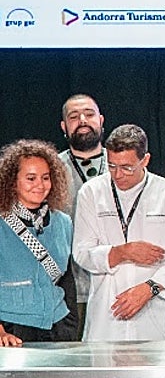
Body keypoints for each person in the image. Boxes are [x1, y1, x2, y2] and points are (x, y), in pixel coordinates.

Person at [72, 124, 165, 341]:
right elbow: (81, 252)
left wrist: (149, 289)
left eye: (127, 167)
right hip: (106, 315)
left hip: (155, 315)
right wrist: (122, 252)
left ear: (145, 160)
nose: (118, 175)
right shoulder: (91, 192)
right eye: (112, 166)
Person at [0, 140, 79, 346]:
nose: (40, 185)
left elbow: (67, 281)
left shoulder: (63, 222)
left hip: (58, 326)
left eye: (45, 177)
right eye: (31, 178)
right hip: (12, 330)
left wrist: (71, 324)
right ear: (12, 181)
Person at [58, 93, 107, 326]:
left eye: (89, 114)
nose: (82, 121)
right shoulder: (50, 170)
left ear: (101, 120)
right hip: (68, 292)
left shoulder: (123, 166)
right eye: (74, 117)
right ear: (64, 126)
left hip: (116, 287)